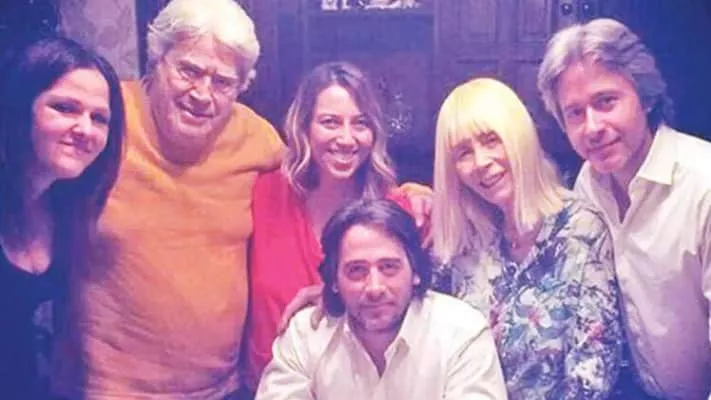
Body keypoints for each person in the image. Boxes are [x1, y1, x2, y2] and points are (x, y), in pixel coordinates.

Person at [50, 0, 284, 398]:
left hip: (224, 390)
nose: (202, 94)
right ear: (157, 60)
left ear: (241, 87)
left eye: (223, 82)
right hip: (105, 389)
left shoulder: (258, 140)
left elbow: (316, 199)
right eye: (189, 70)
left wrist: (403, 197)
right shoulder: (105, 120)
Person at [537, 18, 711, 400]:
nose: (592, 127)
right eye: (575, 113)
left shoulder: (704, 185)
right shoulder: (588, 183)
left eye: (606, 102)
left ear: (645, 98)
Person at [431, 77, 622, 399]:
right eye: (463, 153)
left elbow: (593, 374)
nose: (480, 162)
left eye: (491, 140)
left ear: (519, 137)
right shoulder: (466, 242)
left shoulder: (580, 228)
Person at [243, 61, 416, 390]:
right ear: (303, 126)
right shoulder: (264, 193)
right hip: (266, 387)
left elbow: (419, 302)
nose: (346, 139)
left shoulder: (397, 210)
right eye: (330, 122)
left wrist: (340, 292)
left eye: (360, 123)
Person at [255, 198, 507, 399]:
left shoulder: (461, 332)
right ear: (333, 281)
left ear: (415, 271)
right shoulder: (305, 334)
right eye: (356, 270)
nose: (374, 288)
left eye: (389, 267)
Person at [0, 36, 124, 399]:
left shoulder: (66, 207)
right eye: (65, 108)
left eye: (99, 118)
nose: (85, 129)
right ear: (20, 109)